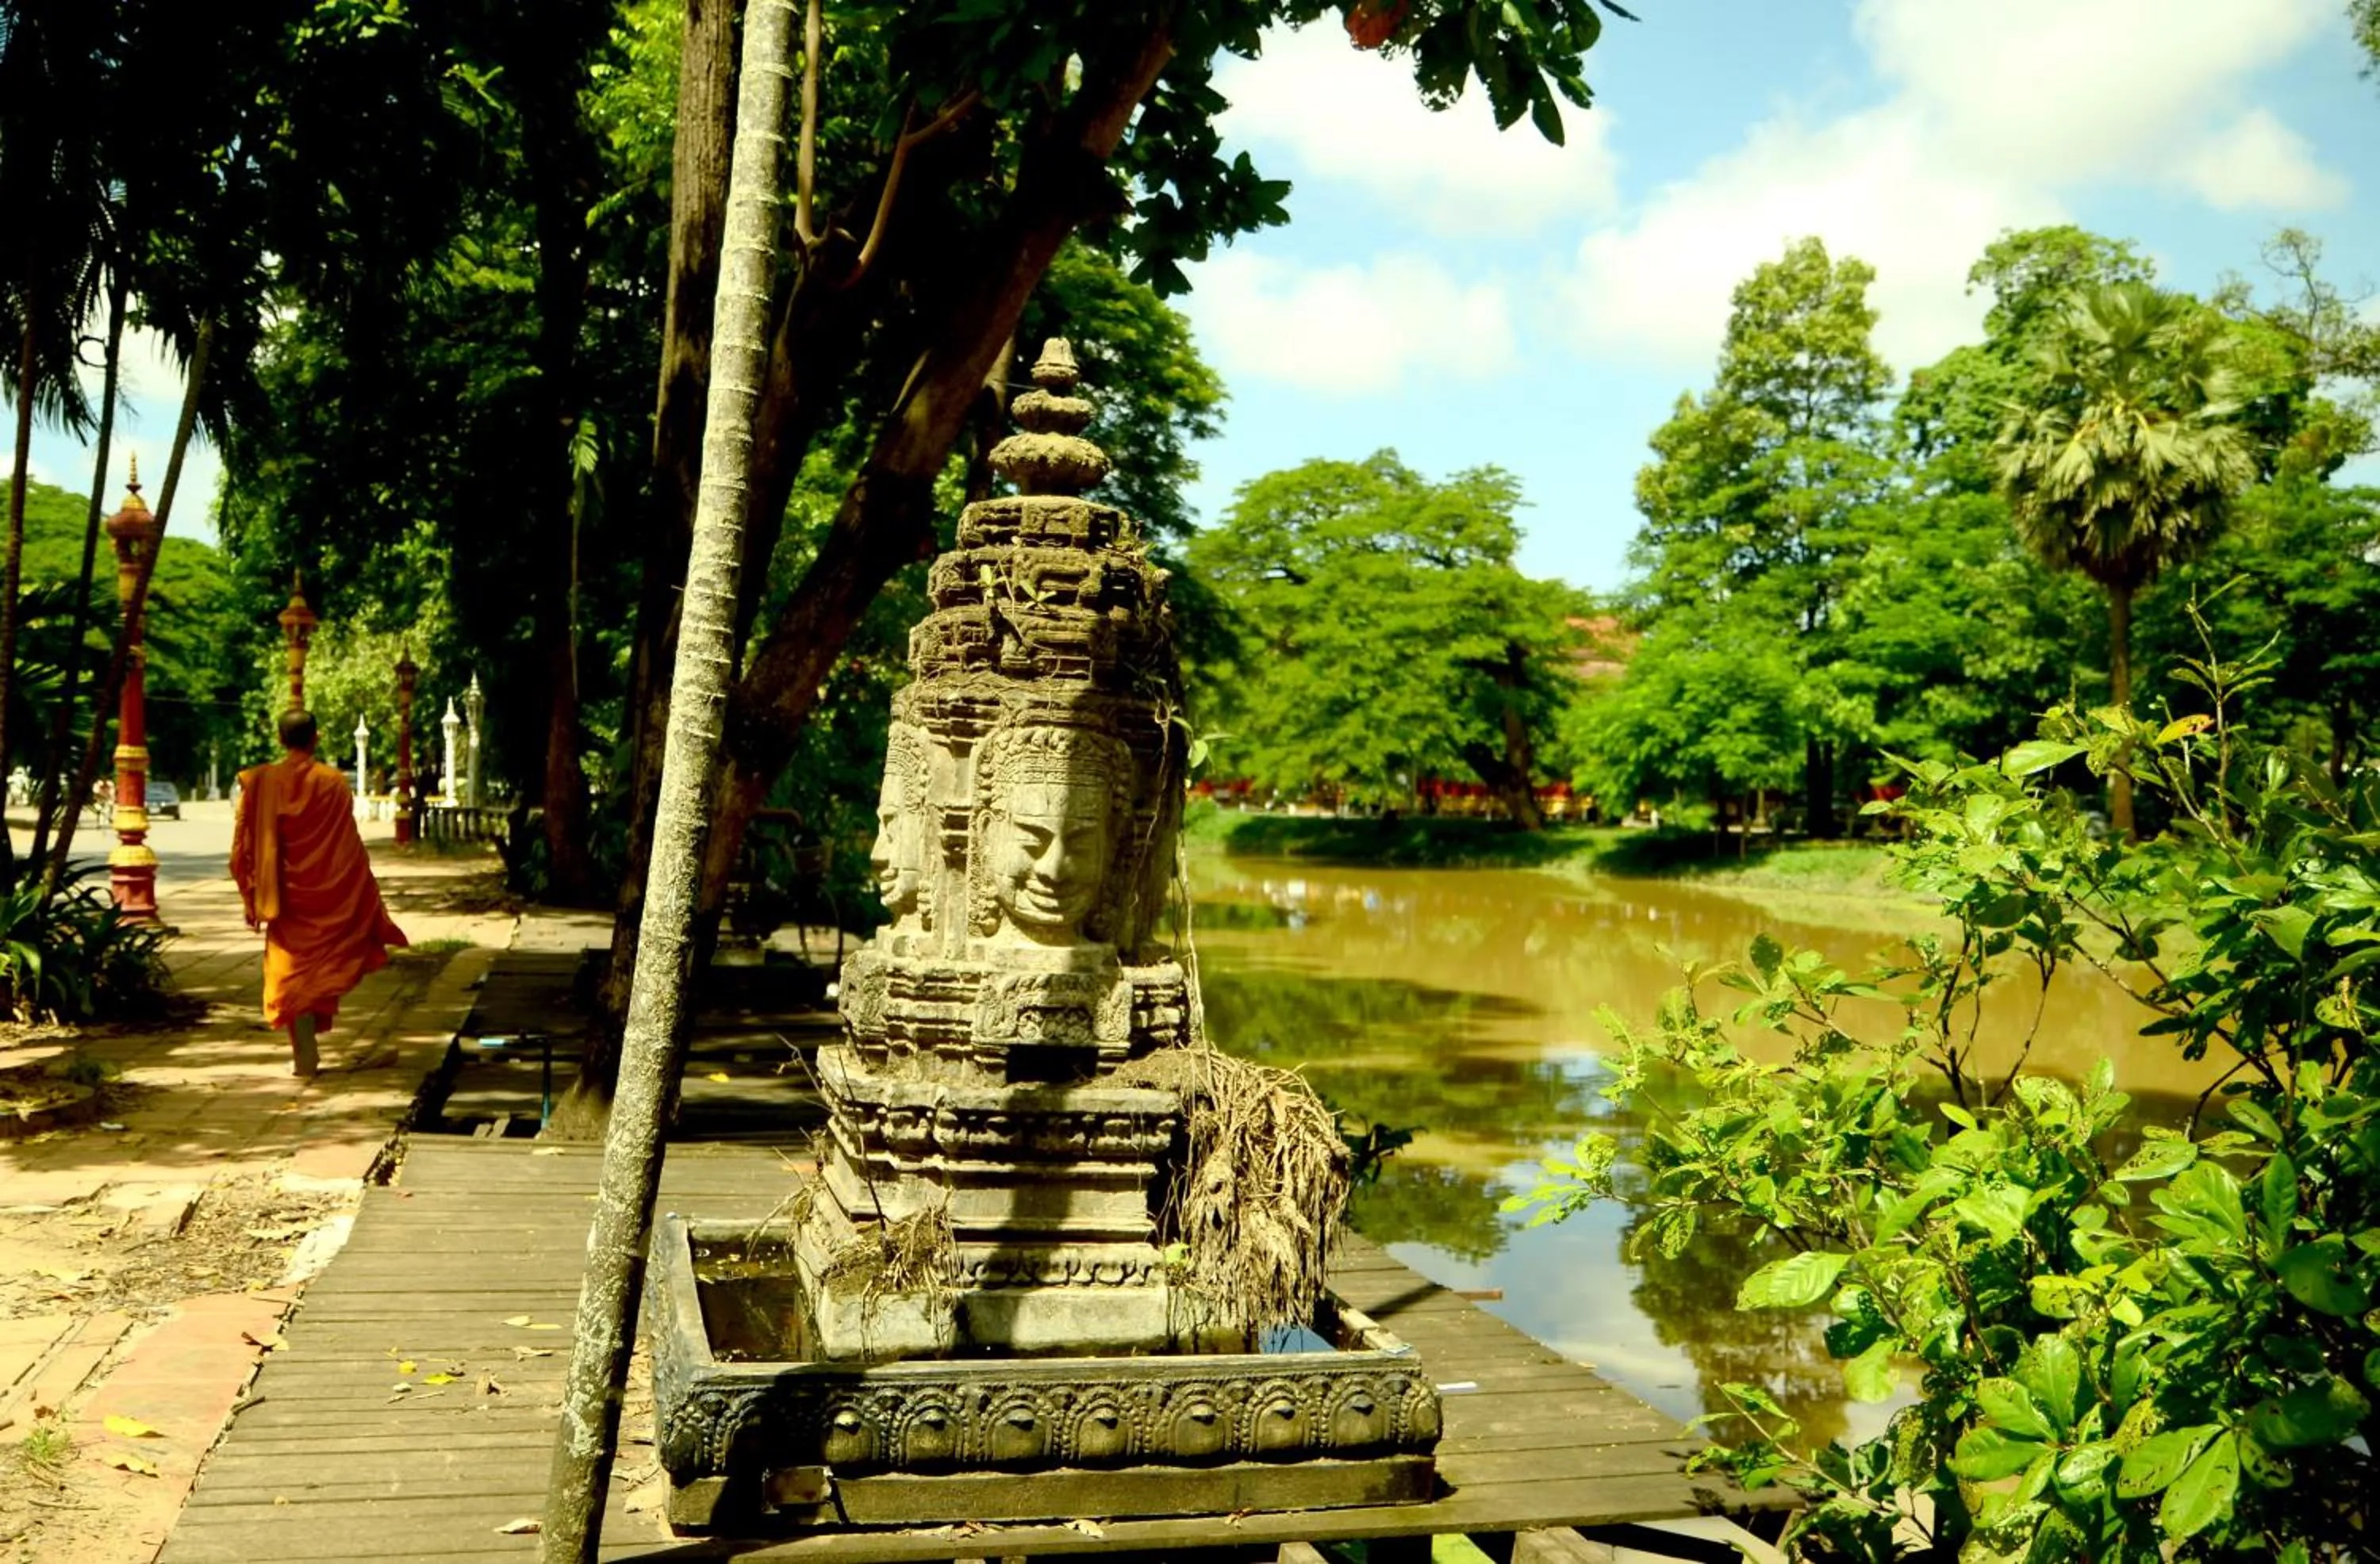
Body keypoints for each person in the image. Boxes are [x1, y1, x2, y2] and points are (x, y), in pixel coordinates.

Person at [231, 709, 409, 1076]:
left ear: (280, 739)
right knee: (314, 973)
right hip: (328, 896)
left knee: (290, 976)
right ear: (316, 738)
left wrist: (251, 892)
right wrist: (363, 892)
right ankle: (305, 1056)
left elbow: (243, 848)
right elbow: (348, 846)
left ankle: (305, 1056)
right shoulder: (333, 782)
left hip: (285, 899)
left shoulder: (263, 782)